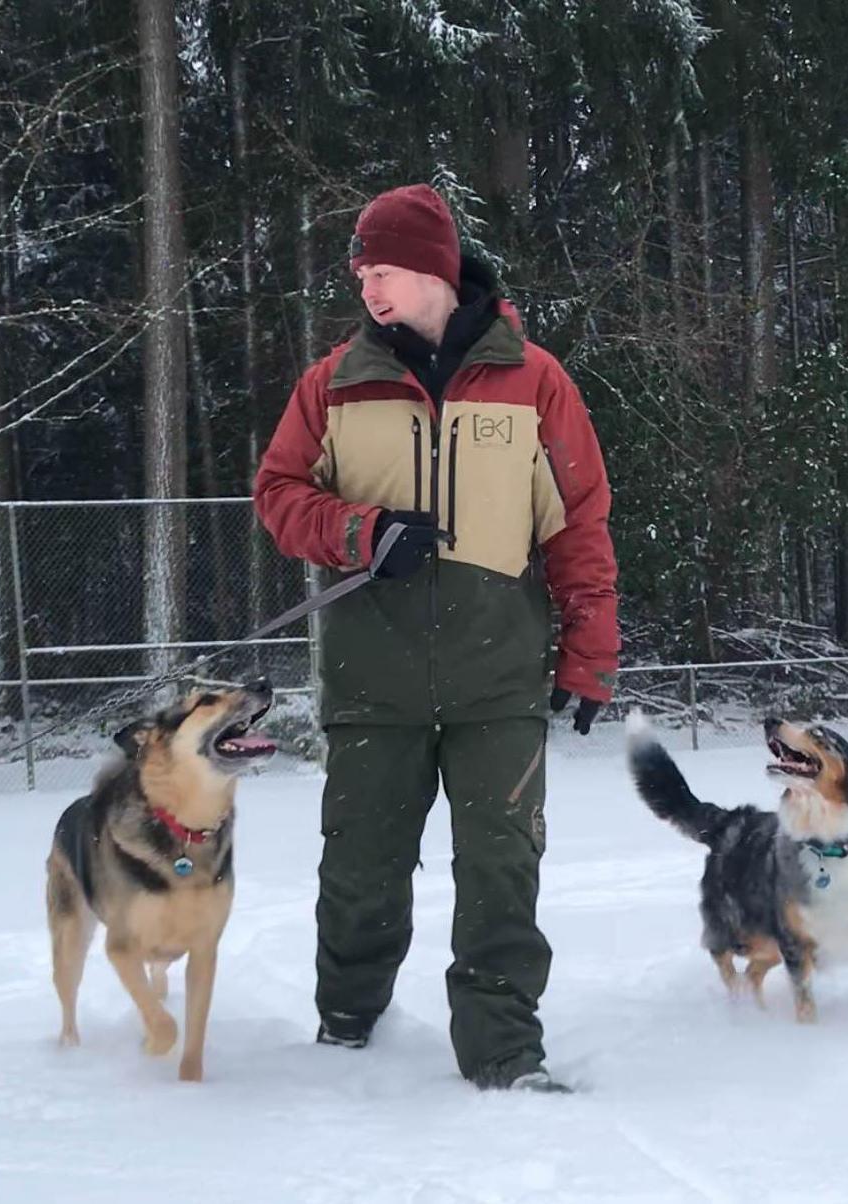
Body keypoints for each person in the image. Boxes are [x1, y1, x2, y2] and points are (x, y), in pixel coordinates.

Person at [253, 183, 618, 1092]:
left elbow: (580, 523)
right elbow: (277, 495)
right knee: (362, 868)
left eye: (384, 270)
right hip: (373, 676)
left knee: (501, 868)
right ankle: (346, 1022)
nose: (369, 288)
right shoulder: (332, 383)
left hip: (498, 676)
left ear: (435, 270)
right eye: (361, 273)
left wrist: (589, 654)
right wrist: (362, 533)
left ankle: (501, 1050)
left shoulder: (535, 380)